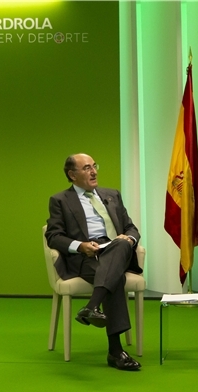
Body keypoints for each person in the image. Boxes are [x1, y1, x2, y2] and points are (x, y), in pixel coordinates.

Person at [45, 153, 143, 371]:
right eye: (87, 167)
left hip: (115, 247)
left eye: (94, 166)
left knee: (120, 244)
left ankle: (91, 306)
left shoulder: (112, 195)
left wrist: (130, 238)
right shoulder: (60, 200)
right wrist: (80, 246)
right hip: (87, 255)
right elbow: (54, 236)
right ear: (72, 175)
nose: (94, 171)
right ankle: (115, 352)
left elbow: (130, 227)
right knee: (113, 277)